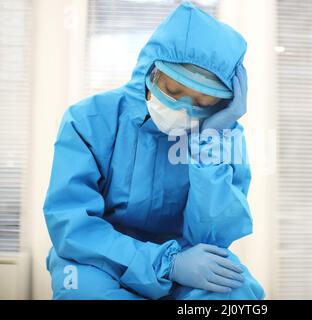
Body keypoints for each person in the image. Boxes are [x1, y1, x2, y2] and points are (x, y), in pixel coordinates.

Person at [44, 2, 265, 300]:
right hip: (97, 259)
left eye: (202, 102)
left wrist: (210, 143)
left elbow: (212, 239)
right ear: (149, 70)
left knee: (237, 295)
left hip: (186, 261)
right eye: (174, 90)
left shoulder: (221, 137)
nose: (184, 108)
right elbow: (73, 225)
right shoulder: (88, 120)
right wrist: (165, 263)